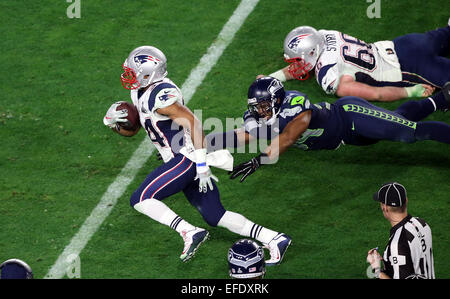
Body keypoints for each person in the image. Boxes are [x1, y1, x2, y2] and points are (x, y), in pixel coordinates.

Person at [103, 46, 291, 264]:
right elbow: (138, 126)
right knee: (215, 215)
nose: (129, 75)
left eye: (133, 71)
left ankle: (189, 232)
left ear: (148, 74)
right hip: (181, 156)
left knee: (140, 198)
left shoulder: (160, 95)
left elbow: (194, 123)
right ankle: (274, 238)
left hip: (187, 158)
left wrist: (201, 166)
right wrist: (119, 120)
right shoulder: (140, 90)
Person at [204, 76, 450, 182]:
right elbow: (239, 135)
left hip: (351, 116)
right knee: (398, 121)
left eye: (264, 106)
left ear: (278, 100)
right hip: (349, 138)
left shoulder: (296, 105)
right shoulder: (261, 116)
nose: (260, 111)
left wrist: (260, 161)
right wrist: (200, 143)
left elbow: (289, 137)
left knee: (409, 133)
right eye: (257, 107)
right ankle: (442, 99)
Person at [261, 20, 450, 102]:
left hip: (409, 66)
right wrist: (271, 79)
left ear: (311, 52)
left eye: (297, 60)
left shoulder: (328, 74)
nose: (295, 65)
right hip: (406, 42)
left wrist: (409, 92)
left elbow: (376, 94)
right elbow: (304, 64)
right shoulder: (325, 34)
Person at [366, 182, 434, 279]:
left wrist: (376, 269)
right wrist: (389, 260)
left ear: (384, 207)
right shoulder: (422, 224)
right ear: (406, 201)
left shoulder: (397, 245)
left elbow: (403, 250)